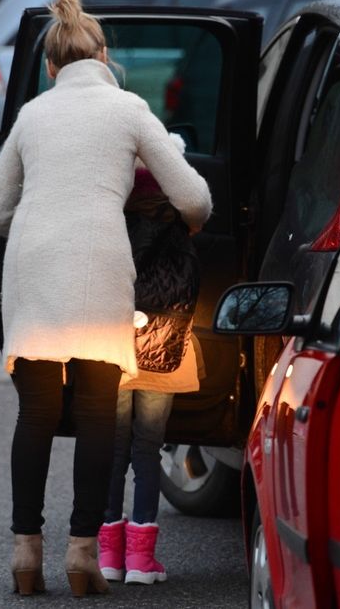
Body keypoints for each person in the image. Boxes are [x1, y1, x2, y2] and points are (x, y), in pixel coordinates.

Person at [0, 0, 212, 598]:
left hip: (33, 268)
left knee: (35, 414)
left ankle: (25, 553)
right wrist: (179, 225)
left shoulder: (32, 115)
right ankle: (84, 556)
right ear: (104, 57)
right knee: (94, 415)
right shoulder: (129, 110)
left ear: (51, 66)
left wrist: (43, 218)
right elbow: (194, 198)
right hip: (100, 266)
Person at [99, 157, 205, 586]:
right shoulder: (180, 222)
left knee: (112, 450)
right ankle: (141, 561)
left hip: (113, 351)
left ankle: (108, 556)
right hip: (166, 350)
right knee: (148, 451)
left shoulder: (110, 221)